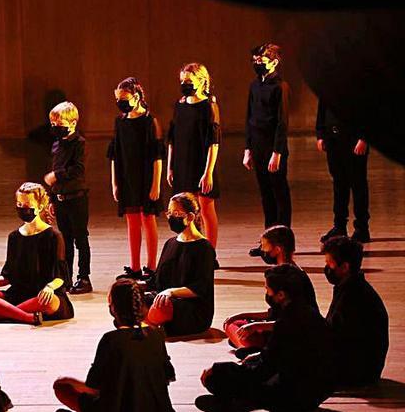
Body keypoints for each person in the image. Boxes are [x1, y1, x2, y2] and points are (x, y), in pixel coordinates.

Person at [197, 264, 333, 412]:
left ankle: (237, 401)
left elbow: (264, 369)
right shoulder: (308, 313)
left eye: (268, 289)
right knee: (249, 365)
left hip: (299, 395)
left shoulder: (288, 323)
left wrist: (218, 370)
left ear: (281, 295)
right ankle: (239, 400)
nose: (267, 293)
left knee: (216, 379)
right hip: (317, 389)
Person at [52, 279, 176, 412]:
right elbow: (167, 376)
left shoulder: (110, 339)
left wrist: (69, 381)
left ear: (114, 308)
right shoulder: (157, 334)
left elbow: (93, 387)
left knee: (61, 386)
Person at [0, 182, 73, 325]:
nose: (22, 209)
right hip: (18, 295)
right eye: (19, 204)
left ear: (40, 206)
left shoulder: (54, 236)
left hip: (43, 295)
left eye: (26, 205)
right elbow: (8, 277)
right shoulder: (14, 237)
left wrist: (49, 287)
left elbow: (61, 277)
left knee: (48, 301)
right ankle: (26, 317)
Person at [224, 225, 316, 351]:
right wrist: (242, 315)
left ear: (277, 249)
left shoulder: (293, 278)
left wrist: (256, 326)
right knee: (233, 323)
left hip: (292, 332)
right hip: (276, 324)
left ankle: (258, 350)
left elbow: (293, 321)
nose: (262, 250)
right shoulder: (278, 272)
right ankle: (251, 345)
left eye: (264, 246)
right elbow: (274, 312)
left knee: (241, 330)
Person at [109, 77, 163, 281]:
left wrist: (156, 184)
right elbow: (115, 154)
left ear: (137, 97)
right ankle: (134, 266)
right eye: (118, 99)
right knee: (132, 221)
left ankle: (151, 266)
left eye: (124, 98)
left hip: (146, 177)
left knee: (147, 219)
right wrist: (114, 182)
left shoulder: (150, 122)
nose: (120, 103)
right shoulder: (120, 122)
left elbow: (157, 156)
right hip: (127, 177)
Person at [243, 42, 292, 255]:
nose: (257, 64)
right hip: (258, 146)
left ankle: (284, 242)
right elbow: (249, 118)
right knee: (266, 195)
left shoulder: (280, 87)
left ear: (274, 62)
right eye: (255, 61)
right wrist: (247, 149)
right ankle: (268, 242)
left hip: (273, 149)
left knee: (279, 193)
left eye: (261, 61)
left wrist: (277, 152)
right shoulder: (254, 86)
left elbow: (282, 123)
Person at [145, 193, 217, 336]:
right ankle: (149, 324)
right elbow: (157, 281)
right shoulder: (170, 243)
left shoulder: (204, 248)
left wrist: (171, 292)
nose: (171, 217)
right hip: (166, 299)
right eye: (169, 213)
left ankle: (147, 326)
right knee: (126, 295)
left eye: (176, 213)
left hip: (191, 308)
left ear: (190, 217)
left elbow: (201, 287)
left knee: (160, 307)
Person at [322, 236, 389, 388]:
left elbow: (333, 336)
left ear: (345, 267)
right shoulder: (349, 286)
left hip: (357, 372)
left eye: (329, 264)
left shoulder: (354, 296)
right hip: (356, 364)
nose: (326, 268)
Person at [166, 63, 220, 250]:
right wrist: (170, 167)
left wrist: (209, 172)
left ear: (201, 81)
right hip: (182, 163)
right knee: (185, 208)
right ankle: (191, 246)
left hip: (202, 163)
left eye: (189, 81)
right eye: (182, 81)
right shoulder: (179, 106)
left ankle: (210, 252)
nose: (184, 84)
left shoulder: (208, 106)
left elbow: (214, 142)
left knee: (205, 208)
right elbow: (172, 139)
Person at [44, 101, 92, 294]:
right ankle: (66, 277)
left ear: (72, 122)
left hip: (77, 198)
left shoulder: (79, 143)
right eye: (53, 123)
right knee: (65, 240)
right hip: (61, 198)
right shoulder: (57, 144)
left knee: (80, 238)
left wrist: (57, 176)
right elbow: (56, 171)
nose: (55, 127)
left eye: (59, 122)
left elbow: (77, 169)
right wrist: (52, 198)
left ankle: (84, 277)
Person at [316, 100, 371, 243]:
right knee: (339, 184)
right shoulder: (327, 83)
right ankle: (339, 226)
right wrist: (321, 134)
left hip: (353, 141)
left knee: (358, 184)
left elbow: (369, 109)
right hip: (333, 140)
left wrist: (364, 138)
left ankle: (362, 228)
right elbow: (322, 107)